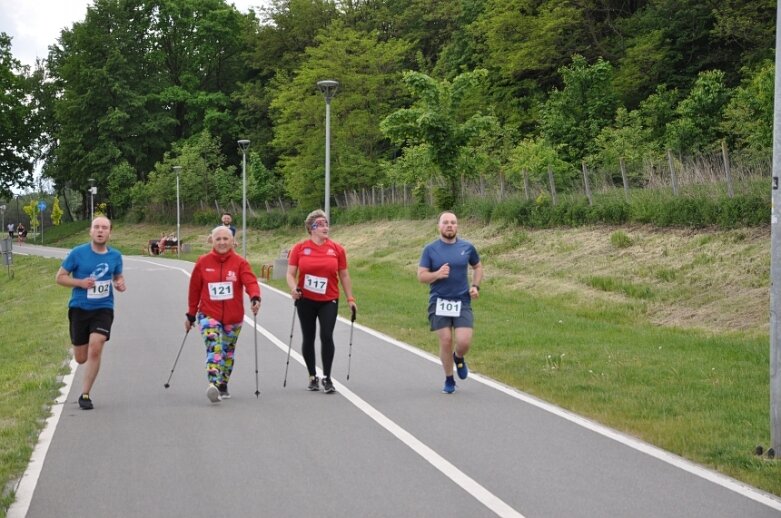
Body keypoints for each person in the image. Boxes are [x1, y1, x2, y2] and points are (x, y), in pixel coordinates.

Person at [55, 216, 127, 410]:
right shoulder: (78, 253)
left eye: (104, 228)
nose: (100, 231)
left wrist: (120, 283)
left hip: (103, 308)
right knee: (81, 358)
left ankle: (85, 394)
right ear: (91, 231)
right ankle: (81, 350)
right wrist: (80, 283)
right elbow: (60, 277)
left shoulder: (115, 256)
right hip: (79, 307)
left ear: (110, 232)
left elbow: (118, 276)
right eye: (97, 227)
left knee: (96, 346)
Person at [186, 225, 261, 403]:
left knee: (227, 352)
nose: (221, 242)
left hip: (233, 317)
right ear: (212, 241)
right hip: (208, 314)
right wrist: (190, 313)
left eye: (225, 239)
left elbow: (250, 281)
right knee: (215, 347)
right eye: (218, 239)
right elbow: (194, 290)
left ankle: (223, 383)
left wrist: (255, 296)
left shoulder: (240, 262)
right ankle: (213, 384)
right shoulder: (202, 262)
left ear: (233, 241)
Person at [286, 209, 356, 393]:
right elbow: (290, 274)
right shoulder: (299, 248)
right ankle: (312, 376)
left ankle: (327, 377)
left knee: (326, 335)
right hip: (306, 299)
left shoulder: (337, 249)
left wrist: (350, 298)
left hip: (329, 299)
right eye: (320, 224)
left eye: (326, 223)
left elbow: (344, 275)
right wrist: (294, 288)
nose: (326, 227)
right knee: (308, 337)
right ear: (311, 228)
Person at [418, 211, 483, 394]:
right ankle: (449, 379)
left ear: (457, 226)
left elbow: (477, 266)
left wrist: (475, 286)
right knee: (446, 340)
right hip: (439, 301)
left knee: (463, 342)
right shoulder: (430, 249)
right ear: (439, 226)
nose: (449, 225)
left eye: (453, 222)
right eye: (445, 222)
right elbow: (421, 276)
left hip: (462, 300)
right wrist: (437, 274)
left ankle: (459, 357)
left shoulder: (467, 247)